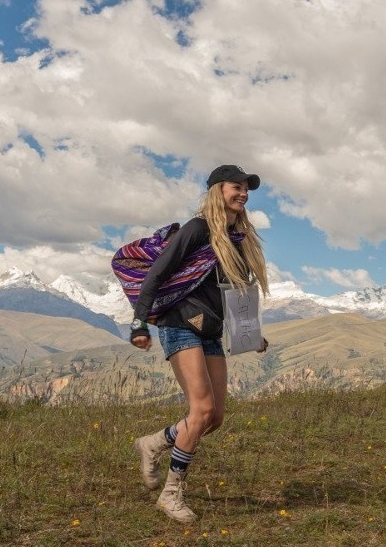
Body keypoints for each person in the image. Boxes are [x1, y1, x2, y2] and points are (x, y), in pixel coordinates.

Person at [130, 164, 270, 523]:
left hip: (209, 330)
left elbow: (232, 295)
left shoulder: (238, 239)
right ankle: (171, 494)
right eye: (235, 187)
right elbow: (158, 273)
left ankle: (154, 443)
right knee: (202, 409)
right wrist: (139, 322)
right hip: (180, 325)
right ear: (216, 190)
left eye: (246, 189)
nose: (243, 193)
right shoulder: (197, 229)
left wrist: (250, 332)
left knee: (215, 418)